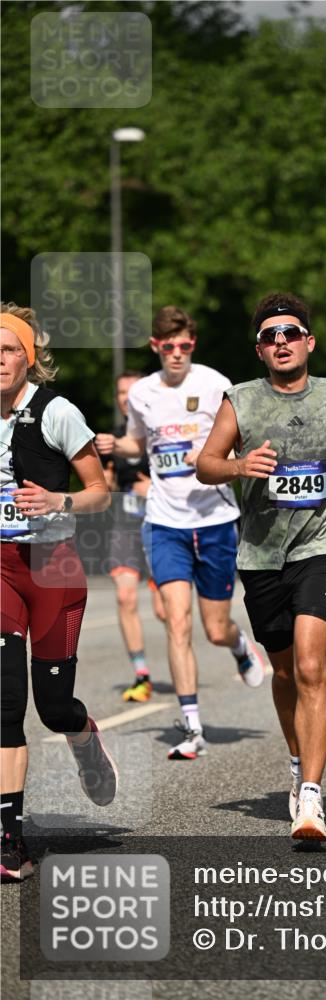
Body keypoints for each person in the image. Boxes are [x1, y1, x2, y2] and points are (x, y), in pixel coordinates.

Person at [197, 292, 326, 841]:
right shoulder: (240, 401)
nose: (281, 342)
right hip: (262, 554)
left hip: (322, 545)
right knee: (287, 671)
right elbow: (205, 465)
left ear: (308, 342)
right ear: (259, 351)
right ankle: (297, 767)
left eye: (290, 333)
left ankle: (312, 797)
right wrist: (240, 465)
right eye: (270, 337)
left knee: (314, 667)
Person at [95, 306, 265, 762]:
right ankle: (192, 726)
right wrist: (118, 446)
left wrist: (213, 454)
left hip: (213, 520)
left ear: (194, 344)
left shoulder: (214, 384)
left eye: (184, 345)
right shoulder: (144, 393)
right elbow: (137, 441)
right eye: (167, 346)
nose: (176, 353)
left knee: (213, 628)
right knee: (177, 619)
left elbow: (241, 439)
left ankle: (240, 645)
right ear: (155, 347)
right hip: (165, 521)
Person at [1, 304, 116, 883]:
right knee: (3, 702)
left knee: (51, 708)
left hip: (52, 566)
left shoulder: (56, 411)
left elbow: (100, 489)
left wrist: (58, 501)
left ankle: (82, 733)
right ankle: (9, 842)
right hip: (0, 567)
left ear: (28, 358)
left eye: (8, 350)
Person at [103, 371, 166, 702]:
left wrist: (153, 489)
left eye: (132, 391)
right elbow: (106, 484)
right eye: (121, 393)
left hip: (160, 527)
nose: (126, 398)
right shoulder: (113, 438)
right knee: (126, 598)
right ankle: (141, 674)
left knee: (164, 610)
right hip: (125, 527)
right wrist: (106, 482)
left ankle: (186, 663)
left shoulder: (160, 431)